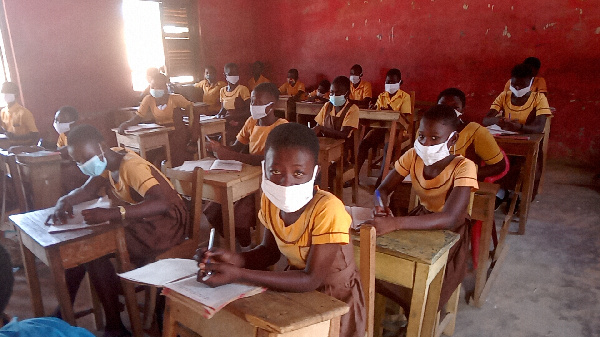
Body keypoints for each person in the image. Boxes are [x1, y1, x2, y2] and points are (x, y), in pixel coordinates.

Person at [196, 123, 365, 337]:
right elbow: (269, 252)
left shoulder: (328, 209)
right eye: (275, 171)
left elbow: (312, 278)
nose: (285, 183)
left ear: (315, 172)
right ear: (264, 167)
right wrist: (231, 259)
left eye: (298, 173)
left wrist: (239, 273)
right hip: (296, 286)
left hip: (335, 299)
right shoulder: (270, 200)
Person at [47, 124, 188, 337]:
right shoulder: (107, 163)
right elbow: (87, 190)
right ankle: (65, 310)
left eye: (86, 158)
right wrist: (64, 200)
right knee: (81, 249)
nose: (83, 165)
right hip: (144, 220)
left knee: (94, 252)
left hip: (166, 225)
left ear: (102, 147)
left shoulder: (131, 166)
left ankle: (114, 323)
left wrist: (114, 214)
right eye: (78, 161)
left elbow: (162, 203)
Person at [361, 105, 478, 312]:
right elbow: (382, 189)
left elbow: (450, 217)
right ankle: (403, 309)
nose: (426, 144)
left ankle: (417, 318)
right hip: (420, 219)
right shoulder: (413, 156)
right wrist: (381, 207)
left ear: (452, 139)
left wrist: (395, 223)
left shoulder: (464, 166)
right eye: (422, 136)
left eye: (435, 138)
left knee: (425, 288)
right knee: (380, 262)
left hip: (451, 233)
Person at [203, 83, 288, 247]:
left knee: (239, 216)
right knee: (211, 211)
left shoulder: (282, 127)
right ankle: (237, 242)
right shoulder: (251, 122)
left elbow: (270, 161)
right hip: (245, 174)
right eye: (252, 102)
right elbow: (236, 147)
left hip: (267, 181)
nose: (253, 106)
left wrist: (233, 156)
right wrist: (219, 148)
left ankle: (247, 246)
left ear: (271, 105)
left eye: (257, 103)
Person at [483, 63, 551, 199]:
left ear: (531, 82)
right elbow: (486, 120)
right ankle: (501, 192)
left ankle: (519, 197)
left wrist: (519, 127)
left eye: (522, 85)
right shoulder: (504, 96)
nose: (517, 88)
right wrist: (499, 121)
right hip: (506, 139)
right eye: (514, 85)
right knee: (497, 162)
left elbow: (538, 127)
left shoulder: (539, 99)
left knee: (524, 169)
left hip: (527, 143)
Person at [437, 88, 507, 181]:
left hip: (462, 186)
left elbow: (499, 166)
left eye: (455, 107)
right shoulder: (426, 129)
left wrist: (465, 173)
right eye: (442, 106)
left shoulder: (475, 131)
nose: (448, 110)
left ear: (462, 110)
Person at [356, 68, 410, 182]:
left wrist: (392, 111)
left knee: (387, 148)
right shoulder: (382, 96)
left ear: (400, 82)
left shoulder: (405, 97)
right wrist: (373, 110)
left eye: (392, 82)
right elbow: (378, 114)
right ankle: (354, 176)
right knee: (363, 144)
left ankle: (381, 180)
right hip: (380, 129)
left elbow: (405, 118)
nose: (389, 85)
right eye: (387, 82)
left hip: (397, 131)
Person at [118, 73, 193, 133]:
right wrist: (126, 124)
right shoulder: (148, 99)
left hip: (177, 132)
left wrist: (191, 126)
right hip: (160, 132)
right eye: (153, 87)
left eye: (159, 87)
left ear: (166, 88)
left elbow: (192, 109)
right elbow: (138, 117)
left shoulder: (176, 98)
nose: (155, 89)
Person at [52, 106, 88, 194]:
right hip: (72, 165)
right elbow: (59, 153)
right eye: (56, 120)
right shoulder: (62, 135)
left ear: (74, 122)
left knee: (64, 173)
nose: (58, 123)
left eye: (62, 121)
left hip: (87, 168)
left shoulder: (82, 133)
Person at [217, 63, 251, 144]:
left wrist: (235, 118)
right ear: (225, 75)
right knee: (215, 136)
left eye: (236, 74)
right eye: (230, 74)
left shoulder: (242, 89)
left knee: (224, 137)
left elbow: (249, 110)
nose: (234, 77)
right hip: (227, 121)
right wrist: (219, 116)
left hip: (239, 122)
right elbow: (223, 109)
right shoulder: (222, 90)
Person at [0, 82, 39, 146]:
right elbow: (4, 131)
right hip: (9, 146)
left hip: (25, 146)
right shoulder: (3, 112)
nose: (5, 95)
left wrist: (16, 137)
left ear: (16, 94)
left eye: (8, 92)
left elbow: (34, 134)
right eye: (3, 92)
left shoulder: (24, 113)